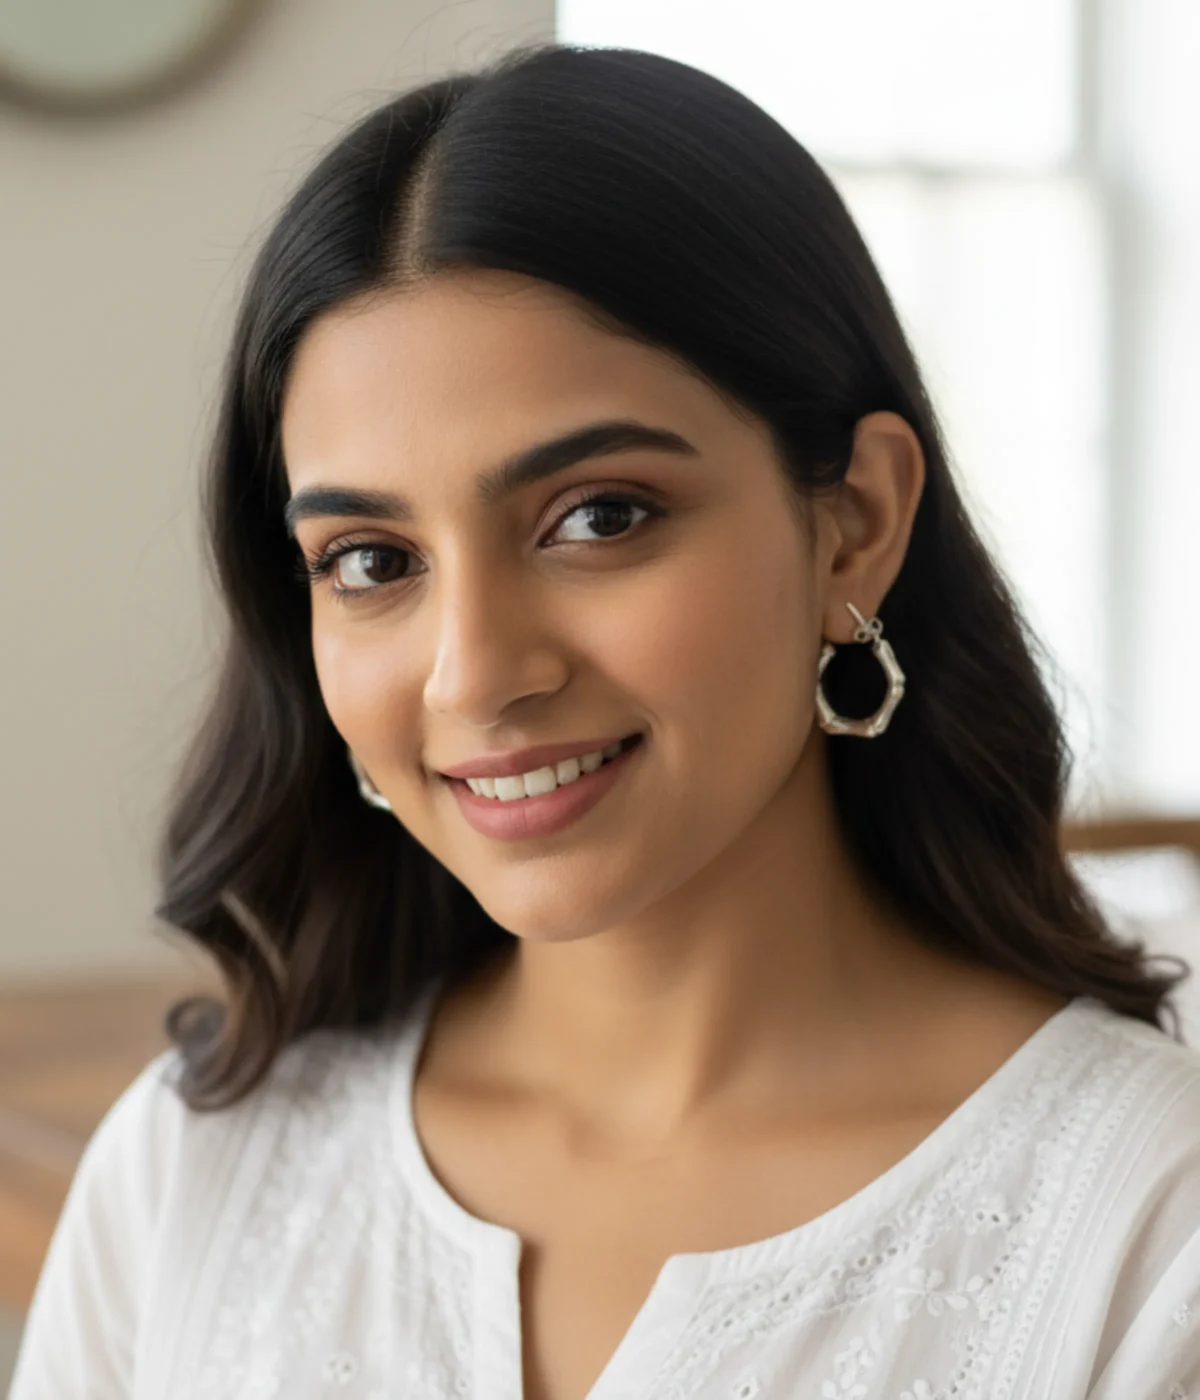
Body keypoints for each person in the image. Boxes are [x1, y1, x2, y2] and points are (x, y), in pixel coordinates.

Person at [10, 41, 1200, 1400]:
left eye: (598, 517)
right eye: (372, 562)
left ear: (854, 523)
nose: (473, 676)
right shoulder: (193, 1174)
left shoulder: (1150, 1235)